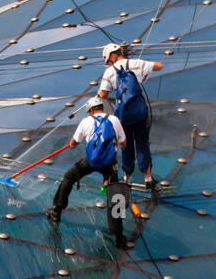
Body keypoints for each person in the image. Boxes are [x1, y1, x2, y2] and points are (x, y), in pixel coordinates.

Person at [46, 97, 130, 249]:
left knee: (69, 177)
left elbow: (73, 143)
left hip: (91, 161)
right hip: (110, 164)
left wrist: (73, 143)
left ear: (91, 110)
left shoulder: (86, 122)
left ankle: (56, 211)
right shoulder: (114, 120)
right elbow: (124, 143)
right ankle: (119, 237)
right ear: (101, 107)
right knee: (116, 196)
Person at [96, 43, 163, 194]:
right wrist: (142, 73)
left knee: (126, 145)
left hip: (123, 116)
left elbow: (103, 95)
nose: (108, 63)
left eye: (108, 60)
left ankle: (126, 179)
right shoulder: (136, 64)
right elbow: (159, 66)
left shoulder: (109, 72)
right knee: (143, 144)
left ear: (113, 56)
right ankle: (148, 179)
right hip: (139, 112)